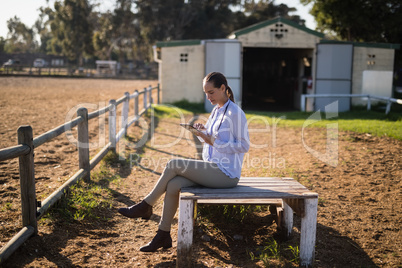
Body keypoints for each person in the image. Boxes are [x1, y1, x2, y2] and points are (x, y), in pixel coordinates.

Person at [118, 72, 250, 252]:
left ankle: (146, 206)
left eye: (211, 92)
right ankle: (163, 234)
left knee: (173, 164)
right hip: (211, 169)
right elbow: (212, 140)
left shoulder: (235, 113)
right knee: (173, 185)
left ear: (223, 88)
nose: (208, 97)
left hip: (226, 174)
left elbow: (244, 145)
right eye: (205, 93)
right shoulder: (217, 110)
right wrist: (203, 133)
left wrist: (212, 140)